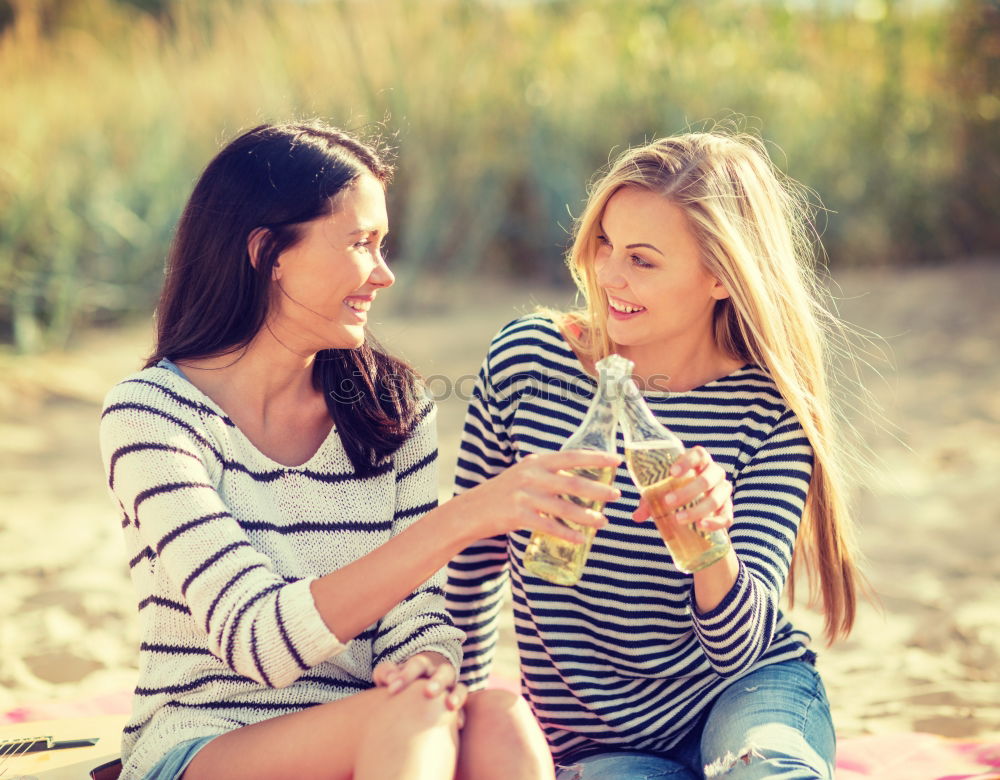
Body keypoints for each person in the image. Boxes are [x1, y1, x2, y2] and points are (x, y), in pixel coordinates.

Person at [98, 121, 624, 780]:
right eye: (361, 244)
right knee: (408, 719)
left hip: (378, 733)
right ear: (268, 253)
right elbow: (257, 638)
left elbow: (418, 615)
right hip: (208, 741)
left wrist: (427, 661)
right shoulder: (150, 413)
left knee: (499, 720)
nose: (384, 274)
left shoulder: (392, 405)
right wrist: (466, 516)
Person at [445, 131, 867, 779]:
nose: (608, 274)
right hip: (599, 741)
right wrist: (459, 710)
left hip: (747, 692)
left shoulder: (768, 409)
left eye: (642, 260)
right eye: (605, 243)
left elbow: (742, 650)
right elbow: (470, 556)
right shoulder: (528, 361)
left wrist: (709, 547)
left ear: (720, 277)